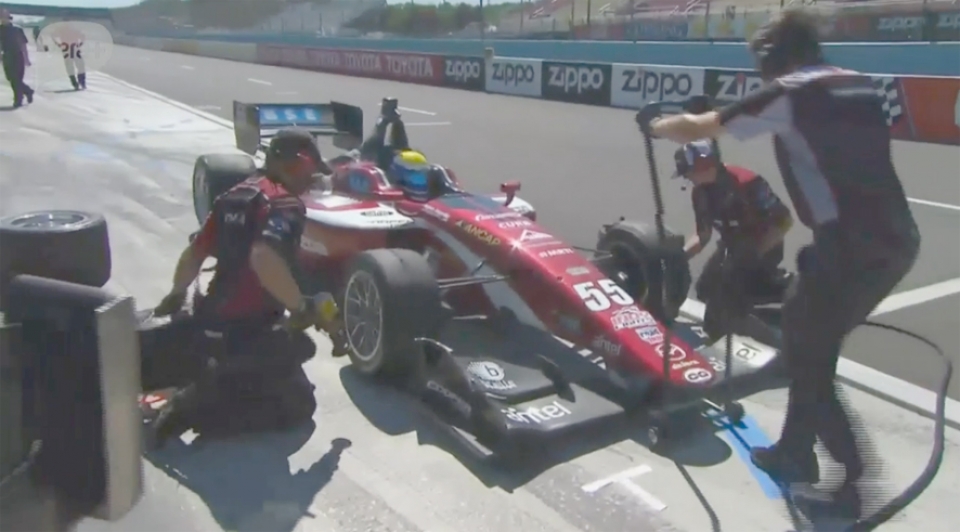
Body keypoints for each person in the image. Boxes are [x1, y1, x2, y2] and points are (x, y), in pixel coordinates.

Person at [648, 9, 920, 514]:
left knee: (807, 357)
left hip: (847, 246)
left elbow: (701, 127)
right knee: (810, 343)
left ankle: (853, 480)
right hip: (897, 238)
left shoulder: (791, 90)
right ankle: (795, 451)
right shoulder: (856, 81)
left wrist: (658, 124)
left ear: (775, 58)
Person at [144, 128, 346, 439]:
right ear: (294, 164)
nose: (310, 180)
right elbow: (263, 257)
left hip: (212, 319)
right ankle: (195, 407)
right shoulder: (285, 204)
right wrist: (300, 307)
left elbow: (195, 252)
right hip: (246, 326)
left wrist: (176, 294)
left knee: (294, 350)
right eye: (309, 171)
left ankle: (213, 381)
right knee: (299, 403)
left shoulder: (236, 194)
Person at [676, 140, 794, 341]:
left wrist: (755, 253)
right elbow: (703, 235)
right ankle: (763, 289)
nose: (687, 178)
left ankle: (724, 333)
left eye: (688, 173)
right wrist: (679, 256)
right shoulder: (700, 193)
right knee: (705, 288)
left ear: (704, 166)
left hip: (764, 245)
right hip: (731, 246)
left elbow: (784, 221)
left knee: (726, 291)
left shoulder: (748, 183)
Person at [0, 9, 34, 108]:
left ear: (8, 17)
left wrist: (26, 58)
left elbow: (23, 45)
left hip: (18, 55)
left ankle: (18, 99)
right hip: (6, 56)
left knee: (16, 78)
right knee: (11, 78)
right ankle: (28, 91)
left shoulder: (17, 29)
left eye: (4, 16)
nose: (3, 18)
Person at [52, 24, 85, 90]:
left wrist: (58, 44)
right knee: (79, 66)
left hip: (68, 49)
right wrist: (80, 44)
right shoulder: (73, 29)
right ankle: (81, 82)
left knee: (71, 68)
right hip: (73, 49)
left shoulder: (62, 29)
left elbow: (53, 35)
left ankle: (76, 83)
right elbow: (83, 36)